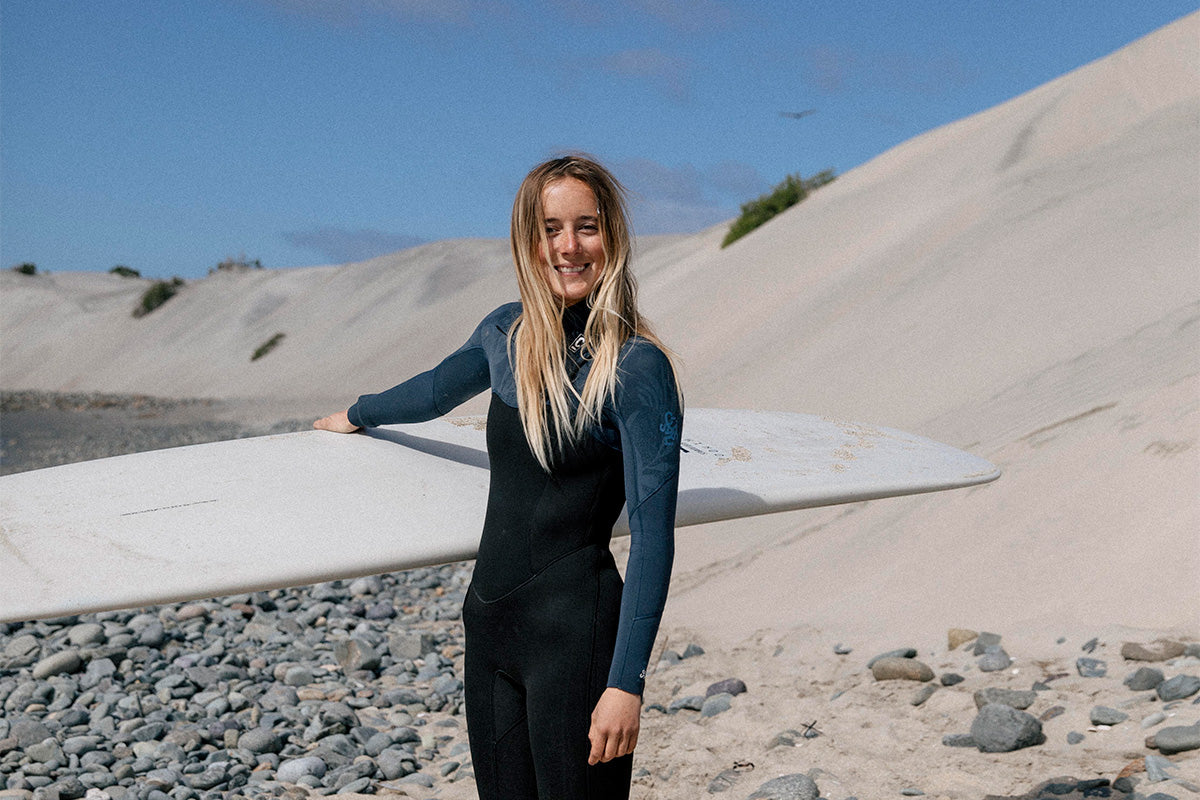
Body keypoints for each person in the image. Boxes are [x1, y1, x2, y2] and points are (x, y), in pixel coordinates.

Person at [314, 155, 682, 799]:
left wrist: (627, 684)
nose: (568, 247)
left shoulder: (636, 368)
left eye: (587, 227)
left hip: (577, 638)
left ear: (613, 238)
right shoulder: (503, 332)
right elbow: (433, 391)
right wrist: (355, 414)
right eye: (550, 229)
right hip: (488, 629)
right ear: (527, 240)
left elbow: (654, 538)